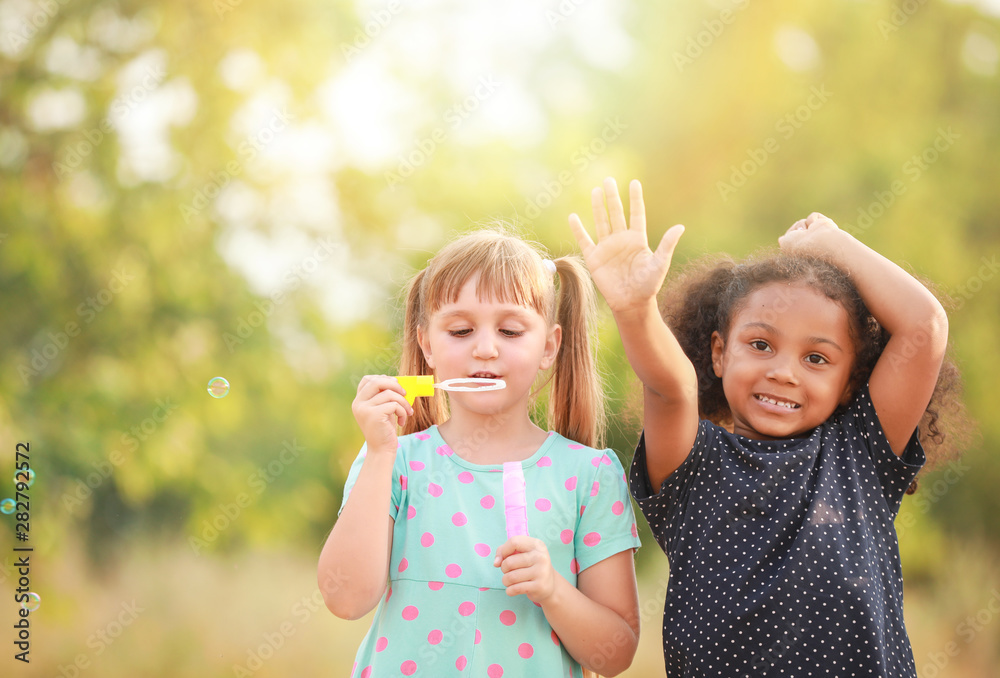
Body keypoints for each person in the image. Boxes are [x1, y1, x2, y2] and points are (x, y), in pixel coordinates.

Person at [570, 178, 967, 676]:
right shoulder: (692, 462)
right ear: (718, 353)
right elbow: (671, 388)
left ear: (850, 383)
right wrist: (633, 311)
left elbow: (923, 327)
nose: (784, 371)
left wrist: (832, 243)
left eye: (817, 358)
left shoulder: (861, 451)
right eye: (761, 345)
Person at [318, 227, 642, 678]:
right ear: (427, 345)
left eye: (510, 331)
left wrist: (552, 590)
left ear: (549, 346)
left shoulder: (589, 475)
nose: (485, 348)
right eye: (461, 330)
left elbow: (616, 655)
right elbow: (345, 599)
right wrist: (378, 454)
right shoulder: (394, 461)